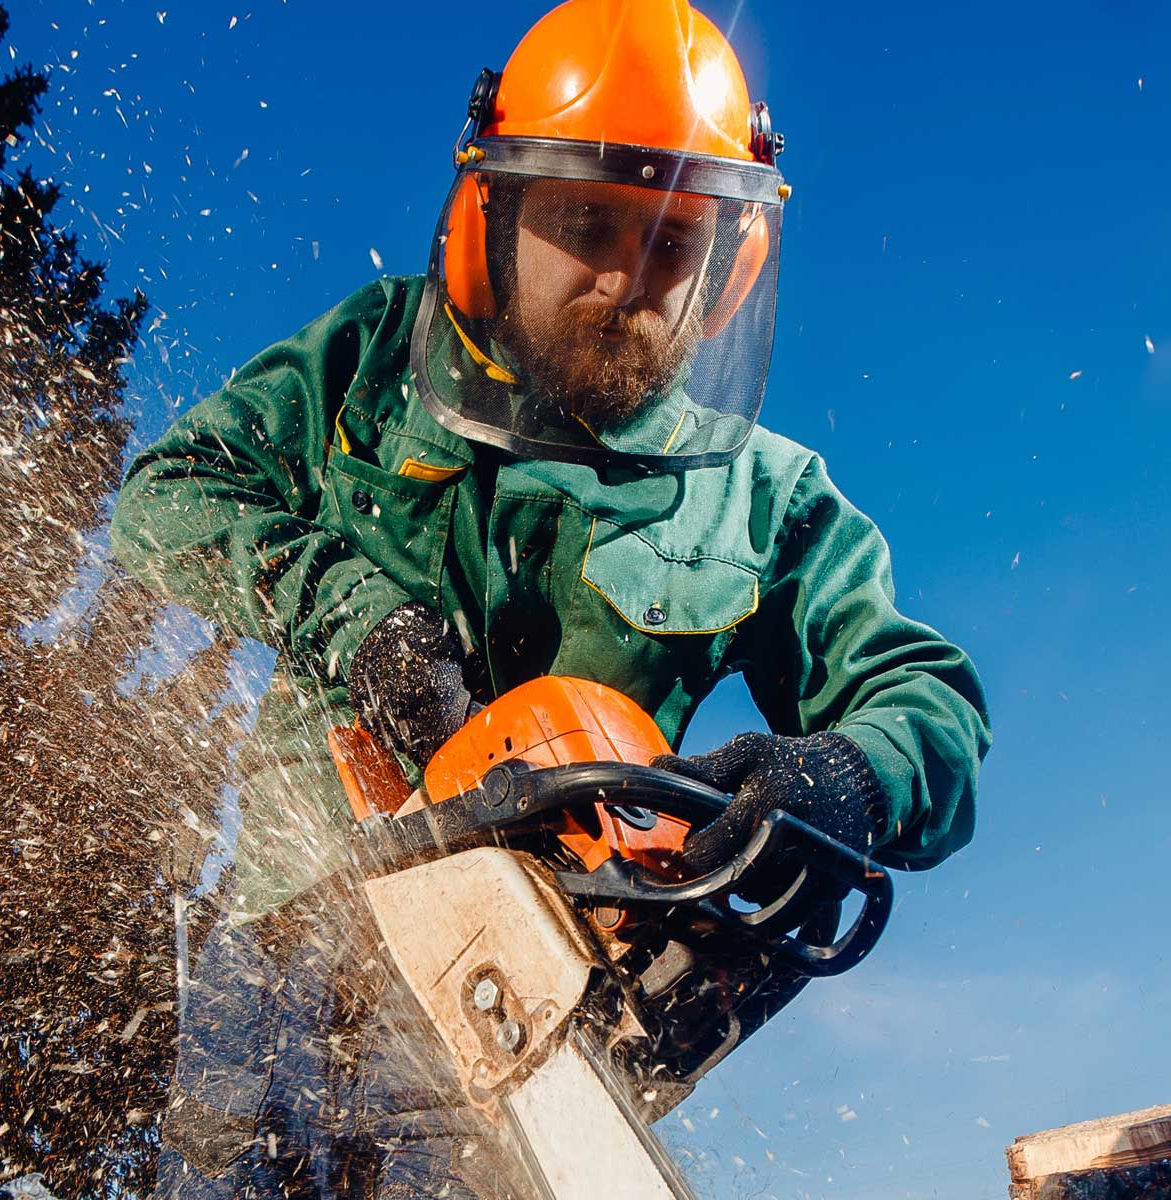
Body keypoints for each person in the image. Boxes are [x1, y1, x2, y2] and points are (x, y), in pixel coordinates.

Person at [112, 1, 991, 1196]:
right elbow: (166, 495)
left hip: (534, 971)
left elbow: (918, 698)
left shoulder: (762, 497)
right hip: (288, 928)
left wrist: (846, 773)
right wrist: (352, 614)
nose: (627, 277)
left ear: (728, 265)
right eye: (587, 224)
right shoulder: (370, 364)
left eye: (674, 243)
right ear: (500, 213)